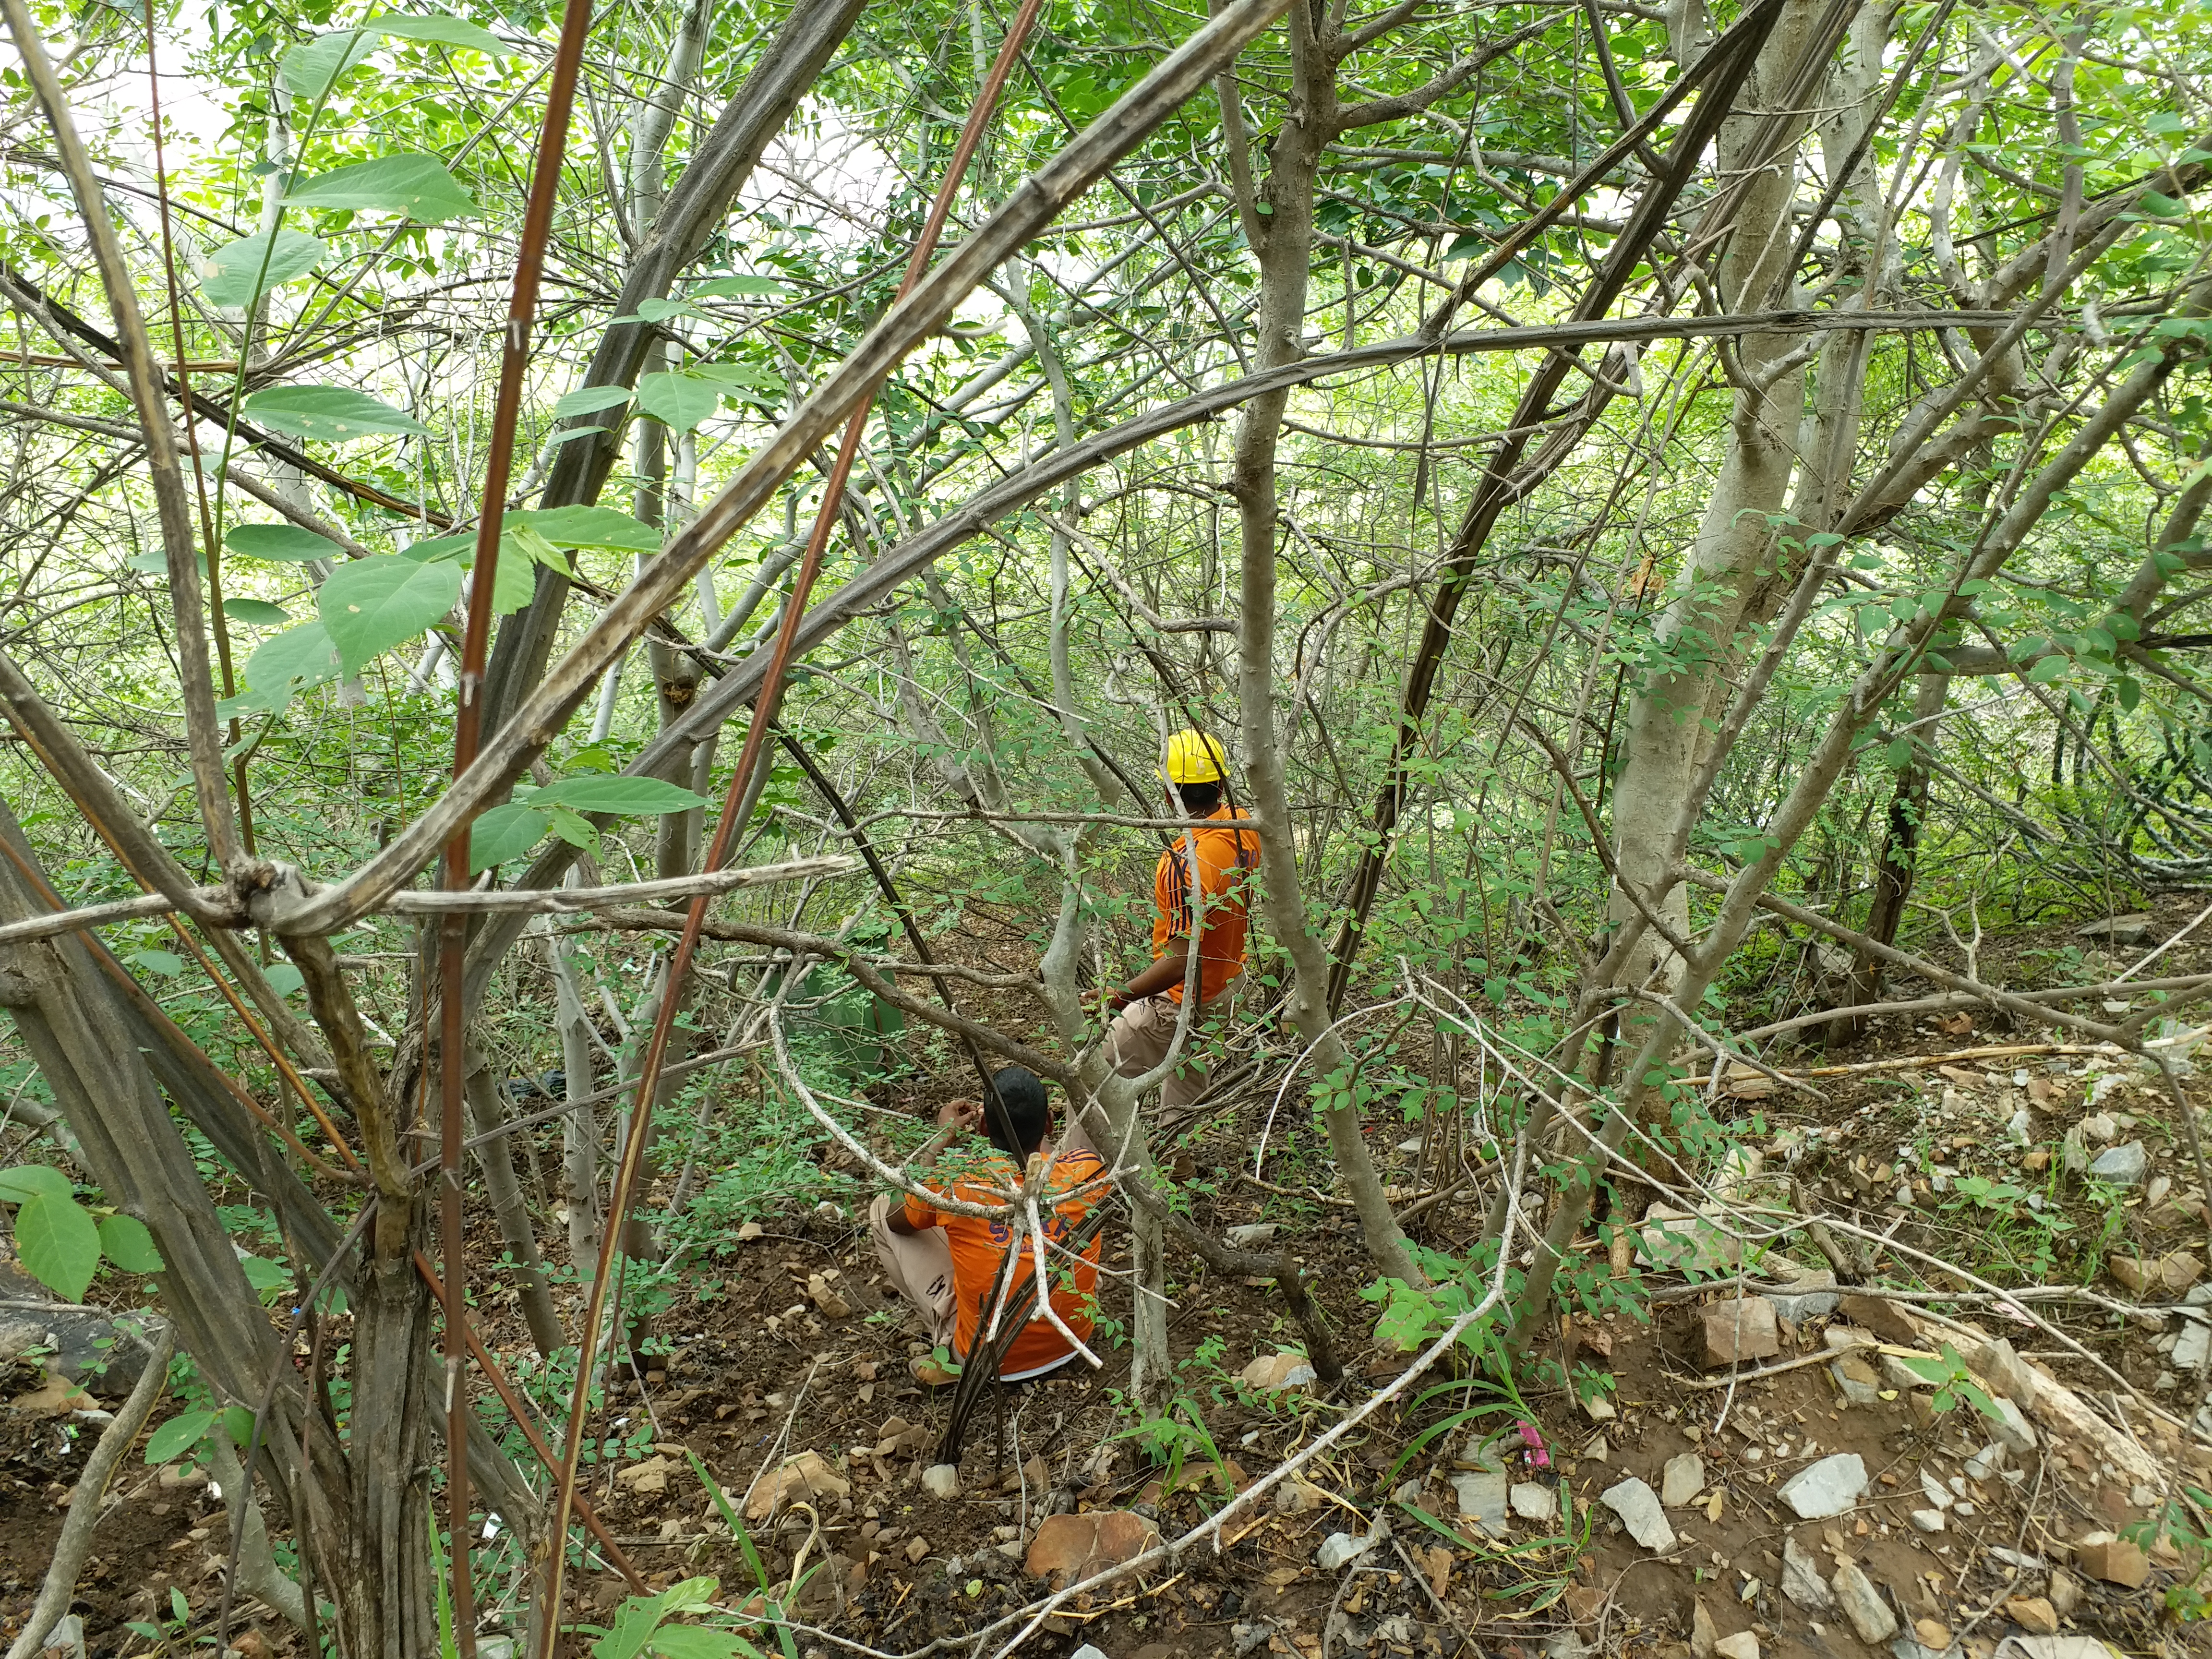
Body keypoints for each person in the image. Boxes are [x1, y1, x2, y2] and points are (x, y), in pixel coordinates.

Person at [868, 1066, 1106, 1385]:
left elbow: (896, 1222)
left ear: (982, 1127)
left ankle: (947, 1345)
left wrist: (941, 1140)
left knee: (882, 1209)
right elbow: (1053, 1157)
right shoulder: (1089, 1172)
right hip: (1073, 1342)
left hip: (989, 1358)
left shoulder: (959, 1184)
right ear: (1049, 1122)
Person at [1090, 729, 1255, 1115]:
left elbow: (1181, 961)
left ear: (1168, 793)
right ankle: (1178, 1168)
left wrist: (1117, 995)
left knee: (1093, 1076)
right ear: (1221, 785)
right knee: (1186, 1087)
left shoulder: (1184, 865)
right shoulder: (1245, 827)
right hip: (1229, 987)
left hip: (1181, 1003)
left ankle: (1078, 1166)